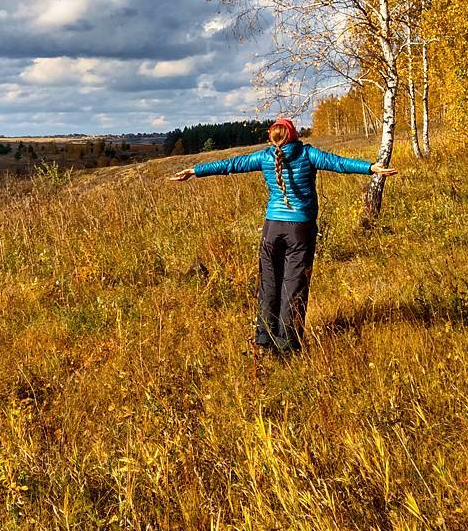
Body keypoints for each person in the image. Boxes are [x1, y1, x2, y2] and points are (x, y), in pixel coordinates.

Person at [169, 118, 397, 356]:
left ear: (272, 138)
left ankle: (264, 341)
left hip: (272, 228)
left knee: (269, 284)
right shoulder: (307, 154)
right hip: (300, 229)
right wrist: (371, 167)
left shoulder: (265, 156)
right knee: (293, 286)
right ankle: (287, 346)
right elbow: (338, 163)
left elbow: (231, 164)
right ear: (294, 135)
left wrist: (195, 170)